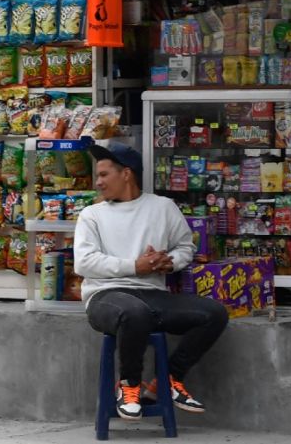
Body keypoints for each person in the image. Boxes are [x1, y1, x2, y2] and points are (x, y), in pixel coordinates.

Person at [73, 142, 228, 420]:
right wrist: (136, 265)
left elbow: (185, 247)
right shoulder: (91, 215)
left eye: (104, 175)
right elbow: (85, 263)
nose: (98, 182)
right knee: (134, 313)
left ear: (126, 174)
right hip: (105, 297)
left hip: (152, 294)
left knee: (213, 313)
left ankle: (168, 379)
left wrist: (169, 261)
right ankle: (129, 385)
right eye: (98, 176)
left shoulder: (163, 207)